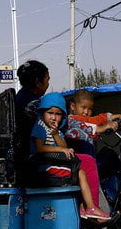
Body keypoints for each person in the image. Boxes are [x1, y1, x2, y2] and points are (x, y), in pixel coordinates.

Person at [30, 92, 109, 220]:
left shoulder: (57, 129)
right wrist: (60, 149)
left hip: (55, 160)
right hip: (45, 164)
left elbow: (64, 145)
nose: (54, 118)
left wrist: (56, 135)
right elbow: (40, 148)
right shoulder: (40, 127)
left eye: (58, 114)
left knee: (82, 172)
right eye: (50, 113)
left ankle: (88, 208)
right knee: (85, 165)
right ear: (43, 112)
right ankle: (92, 207)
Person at [65, 89, 121, 156]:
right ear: (73, 106)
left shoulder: (88, 123)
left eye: (90, 109)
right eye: (83, 107)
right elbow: (93, 120)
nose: (86, 112)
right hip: (78, 161)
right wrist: (113, 117)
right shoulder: (71, 120)